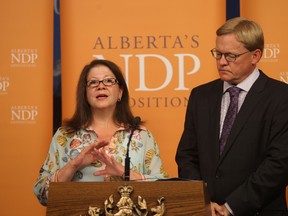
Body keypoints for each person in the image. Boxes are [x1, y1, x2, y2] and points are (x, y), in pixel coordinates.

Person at [175, 17, 288, 216]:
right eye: (218, 53)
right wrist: (203, 202)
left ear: (255, 56)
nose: (221, 62)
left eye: (230, 56)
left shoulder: (281, 97)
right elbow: (187, 156)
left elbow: (279, 164)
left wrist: (231, 208)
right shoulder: (201, 95)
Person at [34, 59, 168, 205]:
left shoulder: (141, 135)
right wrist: (74, 165)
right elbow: (42, 194)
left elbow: (163, 190)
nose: (101, 86)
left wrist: (126, 174)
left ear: (120, 92)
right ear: (85, 94)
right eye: (93, 82)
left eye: (109, 81)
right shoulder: (65, 135)